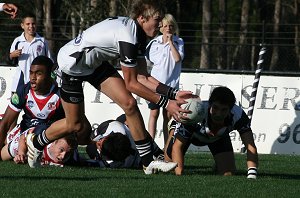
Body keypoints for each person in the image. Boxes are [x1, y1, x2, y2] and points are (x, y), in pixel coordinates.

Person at [26, 0, 195, 174]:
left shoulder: (139, 34)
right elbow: (132, 83)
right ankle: (36, 142)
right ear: (142, 18)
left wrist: (173, 93)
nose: (160, 24)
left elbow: (143, 77)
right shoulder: (129, 36)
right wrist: (167, 103)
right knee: (75, 125)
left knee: (129, 104)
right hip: (71, 65)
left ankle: (148, 162)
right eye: (157, 19)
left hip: (93, 63)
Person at [164, 86, 259, 179]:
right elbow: (177, 147)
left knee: (228, 173)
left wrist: (252, 173)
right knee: (169, 167)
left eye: (224, 110)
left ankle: (219, 164)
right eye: (215, 108)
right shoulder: (195, 113)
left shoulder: (238, 116)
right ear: (210, 105)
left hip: (217, 137)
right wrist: (179, 174)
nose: (218, 114)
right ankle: (171, 134)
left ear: (230, 110)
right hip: (191, 135)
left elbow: (250, 145)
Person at [0, 56, 65, 158]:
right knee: (4, 153)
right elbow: (6, 122)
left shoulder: (60, 95)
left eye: (38, 73)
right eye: (31, 73)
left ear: (49, 75)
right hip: (23, 133)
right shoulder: (24, 91)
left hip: (47, 137)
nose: (33, 78)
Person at [146, 13, 184, 144]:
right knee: (154, 114)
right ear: (161, 27)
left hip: (171, 87)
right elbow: (147, 62)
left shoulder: (179, 42)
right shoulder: (153, 43)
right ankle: (150, 144)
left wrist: (171, 43)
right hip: (155, 86)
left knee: (167, 116)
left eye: (171, 26)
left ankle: (166, 146)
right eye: (166, 25)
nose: (168, 28)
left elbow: (177, 59)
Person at [86, 118, 164, 169]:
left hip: (134, 158)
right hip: (132, 157)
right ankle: (158, 153)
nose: (98, 142)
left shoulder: (109, 163)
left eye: (99, 144)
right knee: (90, 148)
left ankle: (158, 153)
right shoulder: (112, 126)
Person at [8, 12, 53, 94]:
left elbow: (49, 61)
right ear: (22, 25)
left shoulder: (42, 42)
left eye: (33, 24)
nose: (31, 26)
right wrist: (12, 55)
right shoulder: (17, 41)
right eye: (28, 24)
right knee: (17, 105)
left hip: (38, 83)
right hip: (20, 82)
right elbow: (10, 59)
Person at [1, 125, 77, 167]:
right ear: (54, 141)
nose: (63, 156)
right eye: (61, 150)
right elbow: (23, 137)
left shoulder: (71, 158)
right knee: (2, 155)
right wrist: (21, 153)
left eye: (68, 153)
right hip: (20, 134)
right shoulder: (39, 137)